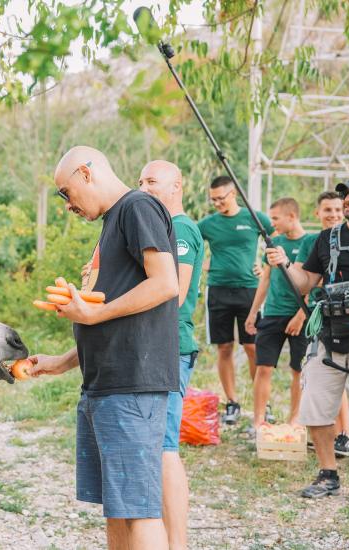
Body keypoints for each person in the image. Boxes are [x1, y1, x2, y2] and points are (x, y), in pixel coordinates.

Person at [30, 146, 179, 550]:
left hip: (132, 386)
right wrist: (61, 362)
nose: (67, 204)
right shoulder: (114, 222)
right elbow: (114, 316)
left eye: (66, 192)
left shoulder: (138, 207)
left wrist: (95, 314)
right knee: (118, 507)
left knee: (140, 510)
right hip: (104, 385)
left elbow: (166, 283)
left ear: (86, 172)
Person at [266, 173, 349, 504]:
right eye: (344, 193)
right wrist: (284, 264)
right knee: (315, 407)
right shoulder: (326, 239)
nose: (348, 199)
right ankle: (328, 474)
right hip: (328, 334)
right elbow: (305, 282)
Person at [138, 160, 203, 550]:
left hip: (171, 347)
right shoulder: (163, 227)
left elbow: (173, 293)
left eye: (153, 181)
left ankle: (176, 543)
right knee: (156, 446)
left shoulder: (181, 228)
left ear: (177, 185)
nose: (143, 187)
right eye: (140, 180)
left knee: (165, 447)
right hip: (155, 347)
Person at [199, 176, 273, 424]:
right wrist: (204, 263)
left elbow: (279, 239)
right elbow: (187, 245)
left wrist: (266, 268)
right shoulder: (208, 224)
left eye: (221, 198)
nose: (218, 203)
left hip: (249, 291)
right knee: (224, 347)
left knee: (252, 347)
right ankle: (232, 402)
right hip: (218, 289)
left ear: (233, 194)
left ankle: (262, 404)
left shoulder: (254, 218)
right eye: (213, 200)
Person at [295, 191, 349, 458]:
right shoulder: (313, 240)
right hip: (316, 313)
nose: (333, 215)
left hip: (343, 316)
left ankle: (345, 433)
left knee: (340, 373)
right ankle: (318, 431)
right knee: (314, 374)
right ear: (317, 213)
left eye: (337, 210)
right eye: (327, 210)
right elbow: (305, 277)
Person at [245, 198, 313, 434]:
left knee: (299, 370)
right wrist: (254, 312)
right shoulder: (274, 243)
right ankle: (259, 421)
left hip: (298, 315)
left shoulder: (311, 242)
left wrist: (300, 316)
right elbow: (265, 279)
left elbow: (315, 282)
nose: (271, 222)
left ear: (292, 216)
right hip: (272, 313)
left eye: (275, 218)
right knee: (263, 366)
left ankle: (295, 420)